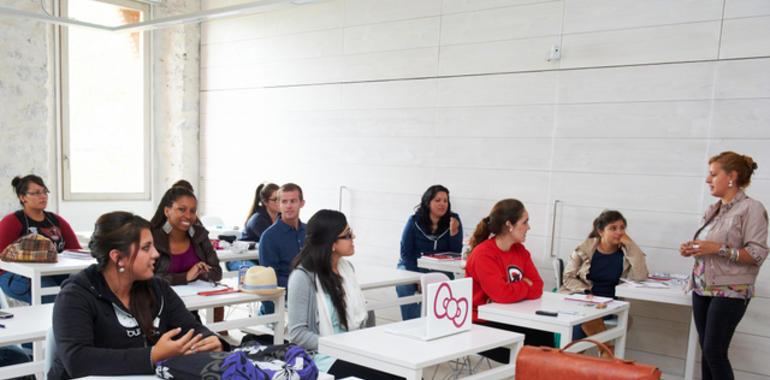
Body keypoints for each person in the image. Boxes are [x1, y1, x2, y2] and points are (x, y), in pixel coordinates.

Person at [49, 211, 223, 380]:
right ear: (118, 258)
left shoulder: (158, 288)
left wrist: (210, 340)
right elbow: (78, 361)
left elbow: (190, 327)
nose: (156, 254)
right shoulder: (75, 296)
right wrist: (152, 355)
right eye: (146, 248)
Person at [679, 151, 768, 380]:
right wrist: (694, 249)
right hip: (702, 288)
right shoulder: (714, 209)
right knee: (708, 353)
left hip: (731, 290)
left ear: (732, 176)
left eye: (713, 174)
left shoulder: (752, 208)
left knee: (714, 352)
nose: (708, 180)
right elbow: (710, 247)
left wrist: (716, 249)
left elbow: (757, 253)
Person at [287, 210, 401, 380]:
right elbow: (298, 333)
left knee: (404, 371)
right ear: (331, 243)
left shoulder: (347, 269)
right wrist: (338, 346)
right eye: (347, 235)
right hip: (323, 357)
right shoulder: (302, 277)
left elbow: (361, 313)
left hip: (354, 349)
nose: (353, 237)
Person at [465, 198, 551, 362]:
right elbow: (501, 294)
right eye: (525, 222)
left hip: (510, 317)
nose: (529, 227)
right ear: (509, 225)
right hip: (482, 324)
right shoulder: (483, 254)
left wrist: (514, 290)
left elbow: (538, 286)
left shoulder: (520, 250)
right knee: (534, 348)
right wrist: (525, 284)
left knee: (545, 337)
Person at [560, 210, 649, 345]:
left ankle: (573, 357)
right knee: (582, 318)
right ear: (601, 231)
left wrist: (631, 245)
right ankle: (604, 350)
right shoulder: (585, 249)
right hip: (584, 300)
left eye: (622, 228)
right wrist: (586, 292)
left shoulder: (625, 252)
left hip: (608, 304)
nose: (619, 232)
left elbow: (640, 275)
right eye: (613, 228)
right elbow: (568, 277)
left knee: (586, 319)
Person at [150, 187, 225, 327]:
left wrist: (202, 272)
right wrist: (186, 277)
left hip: (189, 306)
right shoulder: (153, 238)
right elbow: (148, 279)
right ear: (167, 211)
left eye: (192, 211)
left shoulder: (200, 235)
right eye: (181, 209)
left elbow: (217, 272)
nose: (188, 216)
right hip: (157, 309)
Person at [0, 175, 81, 304]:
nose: (43, 196)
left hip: (52, 271)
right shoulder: (11, 221)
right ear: (22, 197)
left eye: (44, 192)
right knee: (52, 295)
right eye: (36, 193)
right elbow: (1, 256)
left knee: (84, 285)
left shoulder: (56, 221)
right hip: (15, 275)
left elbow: (75, 250)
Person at [396, 185, 463, 320]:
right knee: (403, 285)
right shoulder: (414, 221)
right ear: (428, 202)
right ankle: (413, 324)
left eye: (445, 200)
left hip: (439, 268)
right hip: (412, 265)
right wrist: (416, 277)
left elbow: (455, 253)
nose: (442, 204)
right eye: (437, 200)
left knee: (444, 287)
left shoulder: (453, 220)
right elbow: (406, 253)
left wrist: (454, 233)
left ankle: (433, 323)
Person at [259, 183, 306, 315]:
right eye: (284, 201)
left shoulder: (309, 232)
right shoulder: (269, 237)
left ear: (302, 203)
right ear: (279, 205)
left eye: (293, 201)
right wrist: (302, 286)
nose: (289, 206)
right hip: (283, 299)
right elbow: (270, 278)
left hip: (310, 295)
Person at [226, 183, 280, 271]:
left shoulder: (281, 217)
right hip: (241, 259)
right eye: (275, 200)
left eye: (281, 199)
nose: (280, 203)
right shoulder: (258, 219)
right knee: (260, 275)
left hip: (257, 259)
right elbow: (273, 243)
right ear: (265, 202)